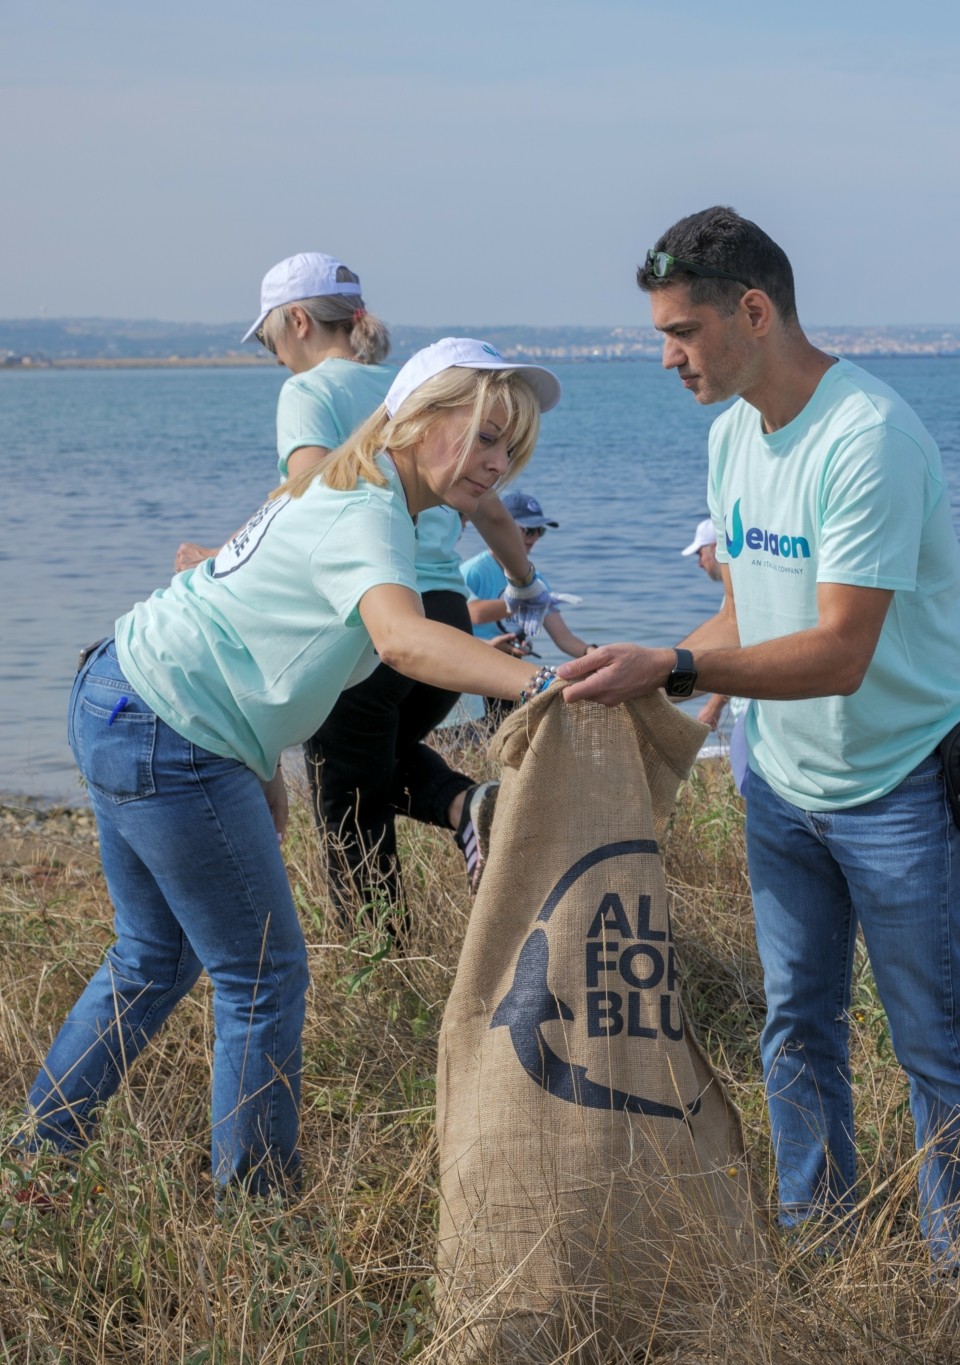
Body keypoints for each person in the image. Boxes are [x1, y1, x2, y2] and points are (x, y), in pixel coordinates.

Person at [557, 207, 960, 1294]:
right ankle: (820, 1243)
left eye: (683, 331)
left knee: (930, 1044)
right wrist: (636, 669)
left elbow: (840, 650)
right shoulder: (729, 438)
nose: (667, 357)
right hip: (782, 788)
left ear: (753, 313)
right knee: (794, 1024)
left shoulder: (868, 437)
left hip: (896, 783)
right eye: (661, 334)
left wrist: (675, 668)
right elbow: (747, 620)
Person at [28, 341, 562, 1196]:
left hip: (122, 693)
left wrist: (261, 764)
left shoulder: (342, 487)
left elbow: (253, 626)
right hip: (170, 726)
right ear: (419, 419)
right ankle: (260, 1215)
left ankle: (38, 1154)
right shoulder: (367, 511)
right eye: (487, 437)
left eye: (512, 451)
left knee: (152, 960)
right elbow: (401, 638)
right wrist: (546, 681)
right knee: (263, 975)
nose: (497, 465)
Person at [175, 253, 556, 916]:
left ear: (296, 321)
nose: (276, 358)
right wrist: (527, 586)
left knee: (349, 804)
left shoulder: (313, 394)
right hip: (446, 614)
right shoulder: (394, 385)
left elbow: (315, 492)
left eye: (269, 341)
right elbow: (488, 508)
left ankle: (378, 957)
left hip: (370, 616)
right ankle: (470, 805)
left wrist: (228, 557)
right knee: (375, 767)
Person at [463, 491, 590, 730]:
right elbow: (472, 613)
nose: (534, 538)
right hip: (474, 667)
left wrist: (592, 653)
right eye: (528, 530)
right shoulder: (475, 570)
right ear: (503, 527)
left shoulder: (535, 579)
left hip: (512, 670)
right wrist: (525, 601)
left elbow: (563, 638)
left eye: (540, 531)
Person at [681, 516, 748, 794]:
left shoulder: (740, 591)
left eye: (700, 553)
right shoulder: (736, 589)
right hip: (751, 706)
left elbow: (736, 650)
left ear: (715, 548)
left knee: (749, 790)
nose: (699, 563)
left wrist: (712, 706)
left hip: (752, 709)